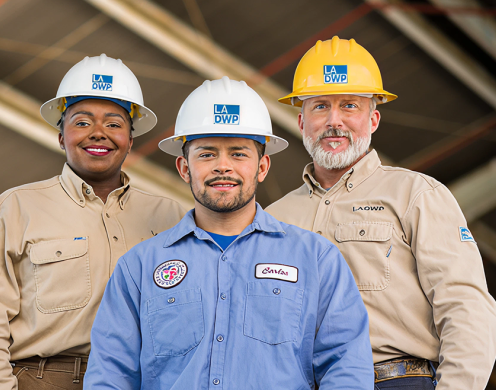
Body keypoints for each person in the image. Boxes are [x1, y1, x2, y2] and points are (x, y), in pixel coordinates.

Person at [84, 77, 374, 390]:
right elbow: (110, 376)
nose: (223, 167)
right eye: (207, 154)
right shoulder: (138, 268)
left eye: (238, 154)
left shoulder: (316, 259)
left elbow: (346, 367)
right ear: (184, 168)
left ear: (262, 167)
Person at [266, 36, 496, 390]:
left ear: (373, 119)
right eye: (319, 107)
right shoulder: (272, 220)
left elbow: (468, 310)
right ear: (301, 122)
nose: (334, 122)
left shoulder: (417, 195)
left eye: (349, 106)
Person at [0, 54, 187, 390]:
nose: (99, 134)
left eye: (115, 124)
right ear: (61, 136)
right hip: (42, 379)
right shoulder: (14, 211)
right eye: (82, 122)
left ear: (130, 141)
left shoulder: (171, 219)